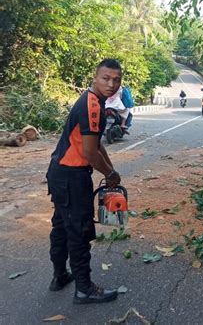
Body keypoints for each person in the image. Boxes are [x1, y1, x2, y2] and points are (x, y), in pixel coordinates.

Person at [46, 58, 123, 304]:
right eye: (106, 78)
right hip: (72, 176)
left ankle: (60, 277)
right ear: (95, 77)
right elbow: (90, 153)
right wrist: (109, 175)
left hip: (59, 173)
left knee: (61, 226)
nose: (111, 84)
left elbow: (96, 143)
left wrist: (111, 169)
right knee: (78, 232)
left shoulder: (92, 100)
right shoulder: (92, 106)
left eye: (116, 80)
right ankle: (84, 288)